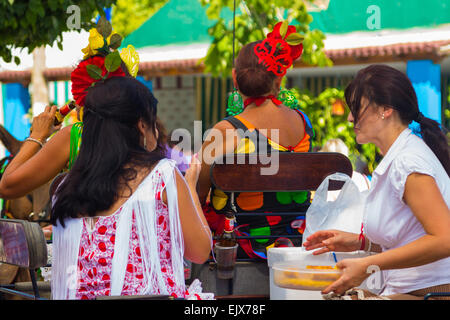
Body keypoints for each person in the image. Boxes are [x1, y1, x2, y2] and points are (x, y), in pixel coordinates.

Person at [50, 75, 211, 300]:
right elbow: (200, 252)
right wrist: (191, 191)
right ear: (141, 125)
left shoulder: (65, 189)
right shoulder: (161, 177)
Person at [303, 64, 450, 300]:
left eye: (356, 107)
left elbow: (445, 239)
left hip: (430, 293)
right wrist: (359, 242)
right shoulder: (399, 155)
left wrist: (368, 264)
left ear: (385, 110)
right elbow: (408, 238)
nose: (350, 117)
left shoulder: (407, 161)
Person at [196, 21, 315, 259]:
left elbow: (197, 197)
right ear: (279, 77)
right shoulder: (303, 123)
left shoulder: (227, 130)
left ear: (235, 78)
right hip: (301, 244)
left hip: (242, 249)